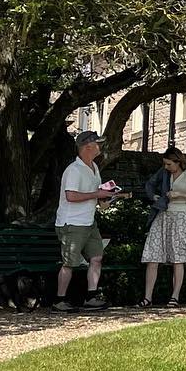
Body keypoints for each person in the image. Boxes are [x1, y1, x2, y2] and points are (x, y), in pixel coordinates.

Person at [53, 130, 119, 312]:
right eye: (98, 143)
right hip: (72, 223)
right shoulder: (74, 170)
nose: (100, 147)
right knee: (69, 263)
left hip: (88, 222)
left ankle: (91, 297)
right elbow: (71, 196)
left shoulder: (94, 168)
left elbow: (92, 194)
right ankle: (59, 300)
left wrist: (105, 198)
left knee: (96, 257)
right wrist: (97, 194)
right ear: (87, 147)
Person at [140, 146, 186, 307]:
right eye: (165, 164)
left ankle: (174, 297)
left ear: (178, 162)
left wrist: (179, 194)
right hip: (163, 215)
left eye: (169, 164)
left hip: (180, 217)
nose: (166, 167)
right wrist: (154, 197)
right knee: (152, 256)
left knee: (178, 258)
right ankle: (147, 298)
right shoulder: (164, 172)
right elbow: (150, 185)